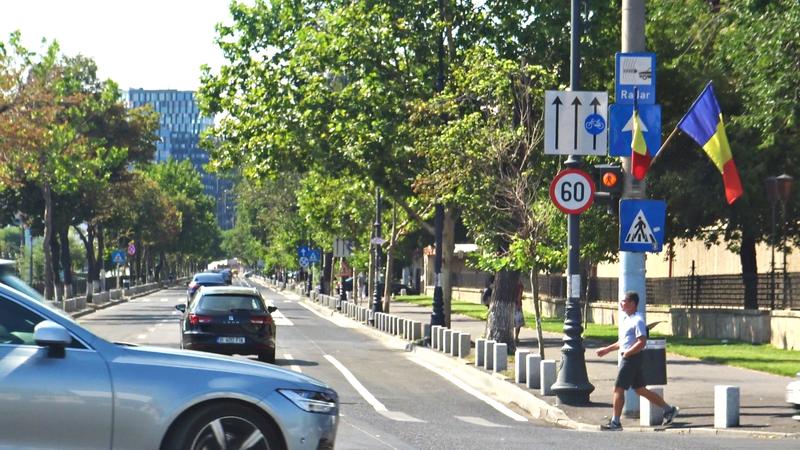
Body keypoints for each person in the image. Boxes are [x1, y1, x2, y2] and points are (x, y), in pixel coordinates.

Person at [596, 291, 679, 431]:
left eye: (623, 301)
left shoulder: (638, 320)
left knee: (618, 389)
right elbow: (622, 342)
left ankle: (616, 422)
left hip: (631, 359)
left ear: (632, 303)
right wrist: (607, 350)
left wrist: (628, 353)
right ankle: (669, 409)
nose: (621, 304)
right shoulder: (627, 319)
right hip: (630, 357)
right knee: (640, 389)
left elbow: (642, 341)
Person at [513, 279, 524, 344]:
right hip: (517, 305)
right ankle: (516, 337)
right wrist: (519, 305)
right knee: (518, 322)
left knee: (513, 322)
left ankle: (514, 337)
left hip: (511, 304)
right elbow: (519, 296)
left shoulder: (510, 284)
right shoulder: (520, 285)